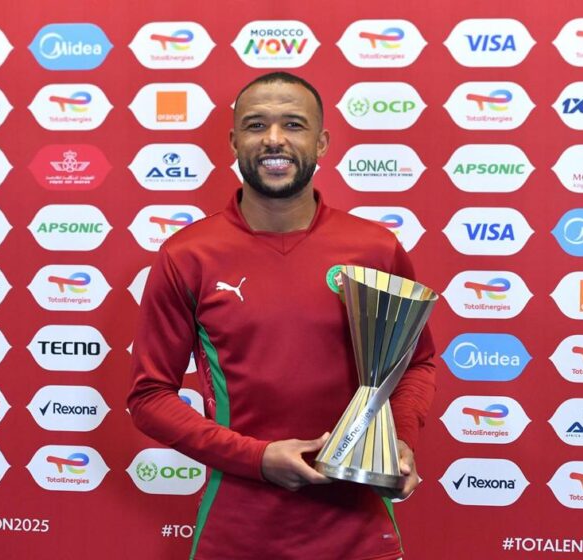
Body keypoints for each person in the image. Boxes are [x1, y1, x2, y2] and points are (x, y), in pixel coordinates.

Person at [128, 72, 436, 560]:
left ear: (322, 142)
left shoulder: (375, 248)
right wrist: (258, 458)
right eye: (256, 125)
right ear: (234, 142)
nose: (274, 139)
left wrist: (398, 442)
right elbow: (150, 396)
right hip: (236, 535)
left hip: (359, 535)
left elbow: (415, 363)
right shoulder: (187, 255)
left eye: (293, 124)